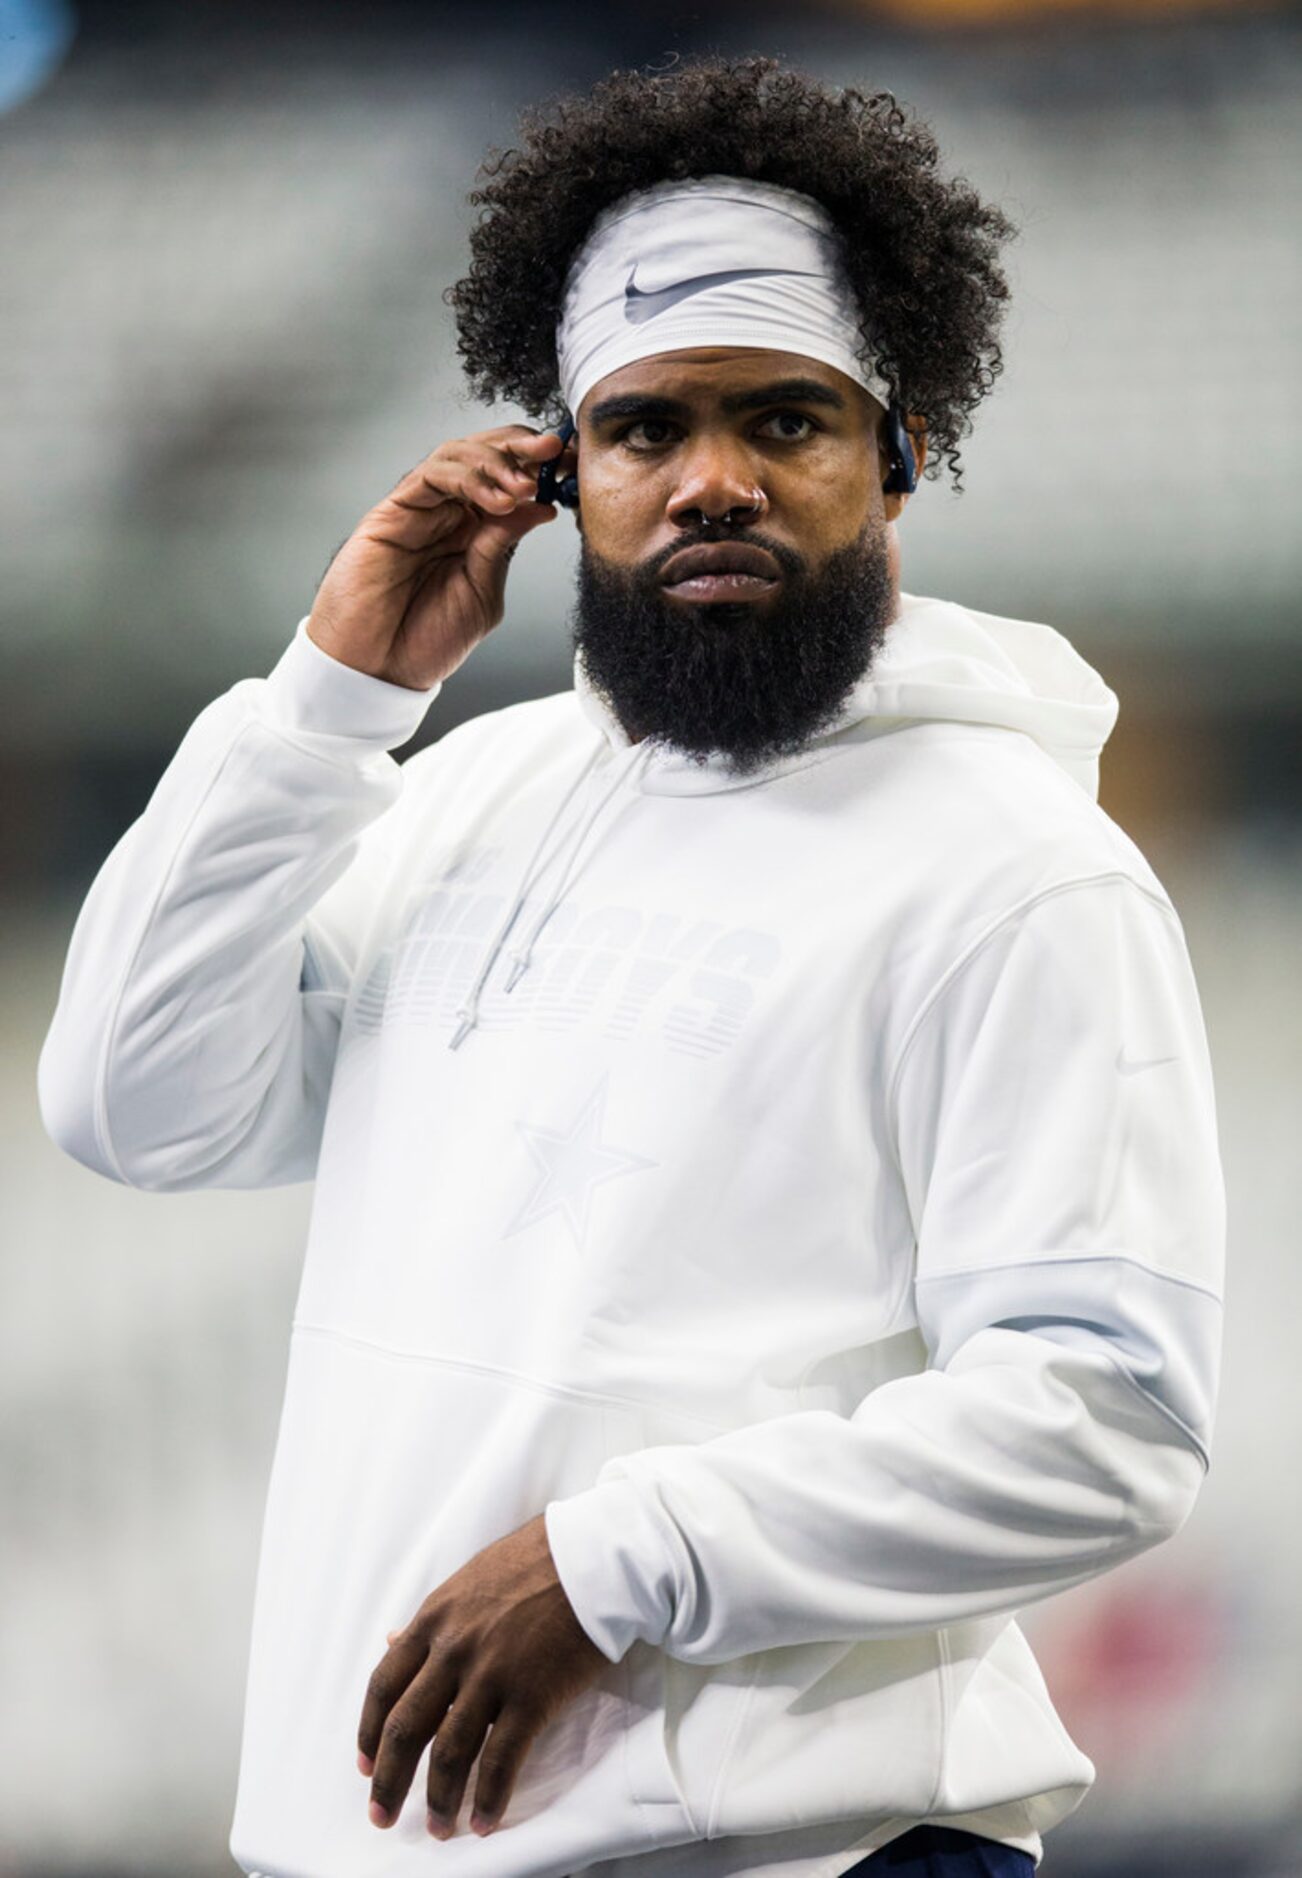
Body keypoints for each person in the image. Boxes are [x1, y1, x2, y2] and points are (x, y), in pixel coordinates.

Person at [37, 53, 1225, 1878]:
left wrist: (619, 1563)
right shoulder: (478, 792)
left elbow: (1101, 1414)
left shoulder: (1019, 869)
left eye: (786, 421)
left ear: (895, 460)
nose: (712, 482)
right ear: (556, 472)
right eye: (646, 428)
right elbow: (130, 1104)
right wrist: (327, 705)